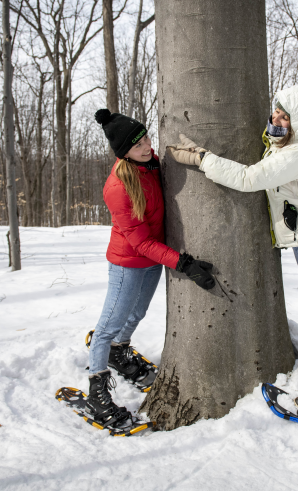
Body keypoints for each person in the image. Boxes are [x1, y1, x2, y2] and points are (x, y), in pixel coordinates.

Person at [167, 84, 298, 422]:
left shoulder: (295, 153)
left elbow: (250, 178)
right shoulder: (288, 143)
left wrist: (202, 158)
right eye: (276, 111)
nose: (276, 118)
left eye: (285, 117)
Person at [86, 108, 216, 427]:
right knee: (107, 327)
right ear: (124, 154)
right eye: (137, 145)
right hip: (129, 263)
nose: (146, 147)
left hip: (153, 260)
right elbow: (139, 242)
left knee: (136, 315)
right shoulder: (118, 187)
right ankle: (97, 392)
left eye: (145, 139)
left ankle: (120, 352)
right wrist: (183, 263)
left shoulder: (152, 163)